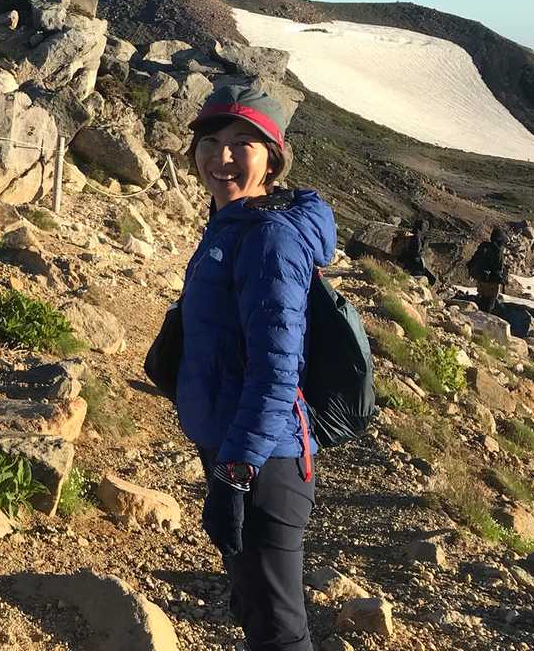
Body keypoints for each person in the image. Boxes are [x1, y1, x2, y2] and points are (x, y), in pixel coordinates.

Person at [176, 81, 336, 651]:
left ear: (272, 160)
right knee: (254, 607)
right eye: (210, 140)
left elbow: (276, 371)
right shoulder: (232, 221)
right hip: (235, 447)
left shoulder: (269, 237)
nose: (220, 156)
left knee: (278, 629)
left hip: (264, 462)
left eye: (241, 143)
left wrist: (234, 475)